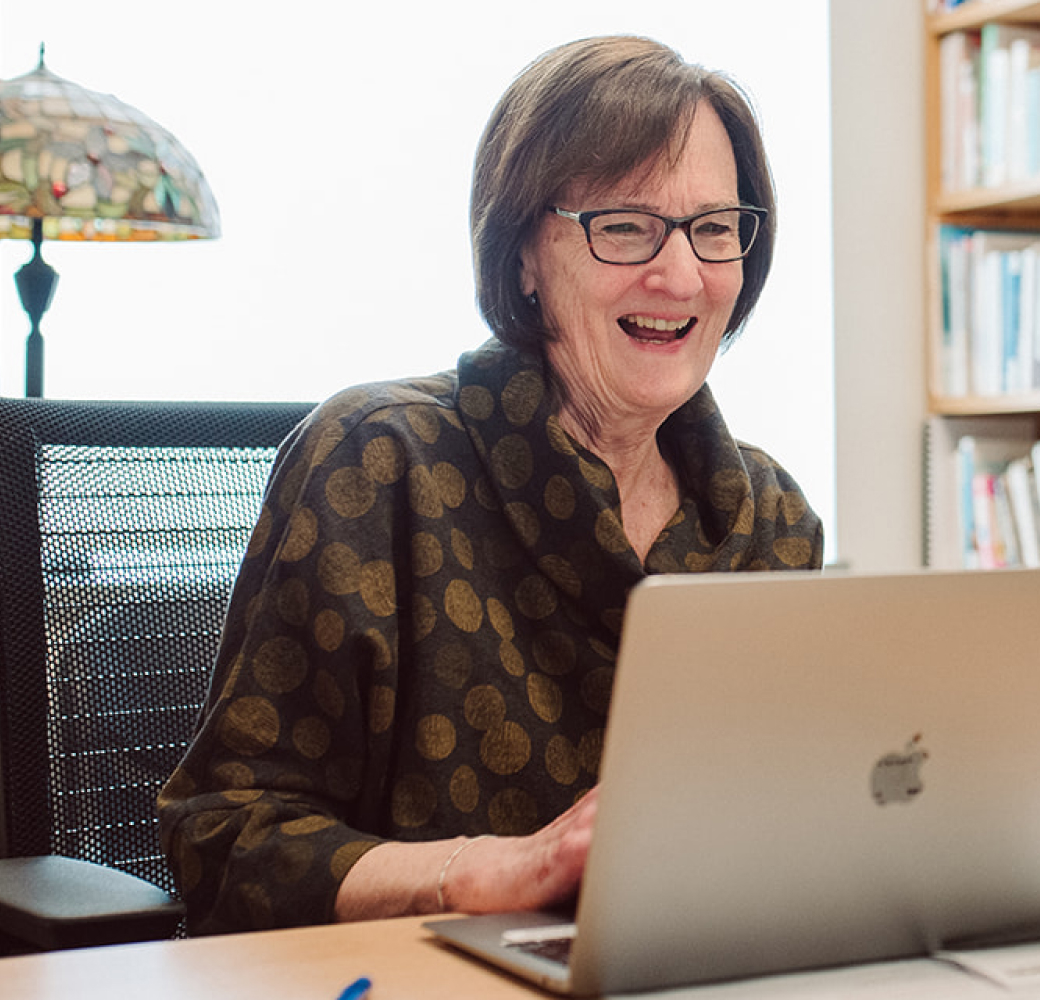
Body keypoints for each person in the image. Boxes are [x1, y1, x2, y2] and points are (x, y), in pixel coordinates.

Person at [156, 35, 823, 935]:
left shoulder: (772, 519)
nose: (680, 274)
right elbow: (226, 844)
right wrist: (494, 871)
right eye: (625, 225)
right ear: (523, 258)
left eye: (713, 228)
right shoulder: (378, 462)